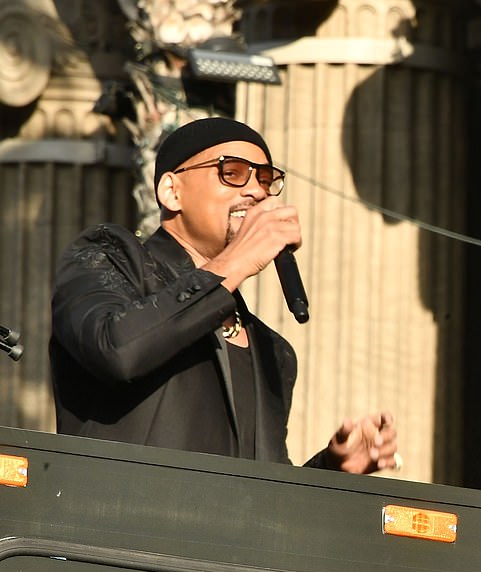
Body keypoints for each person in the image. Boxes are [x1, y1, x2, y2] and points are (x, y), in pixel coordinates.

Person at [49, 117, 398, 474]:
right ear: (172, 191)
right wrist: (234, 263)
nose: (256, 191)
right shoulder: (111, 255)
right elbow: (116, 349)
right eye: (232, 172)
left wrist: (332, 469)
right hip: (117, 524)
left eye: (265, 179)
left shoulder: (272, 351)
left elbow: (264, 493)